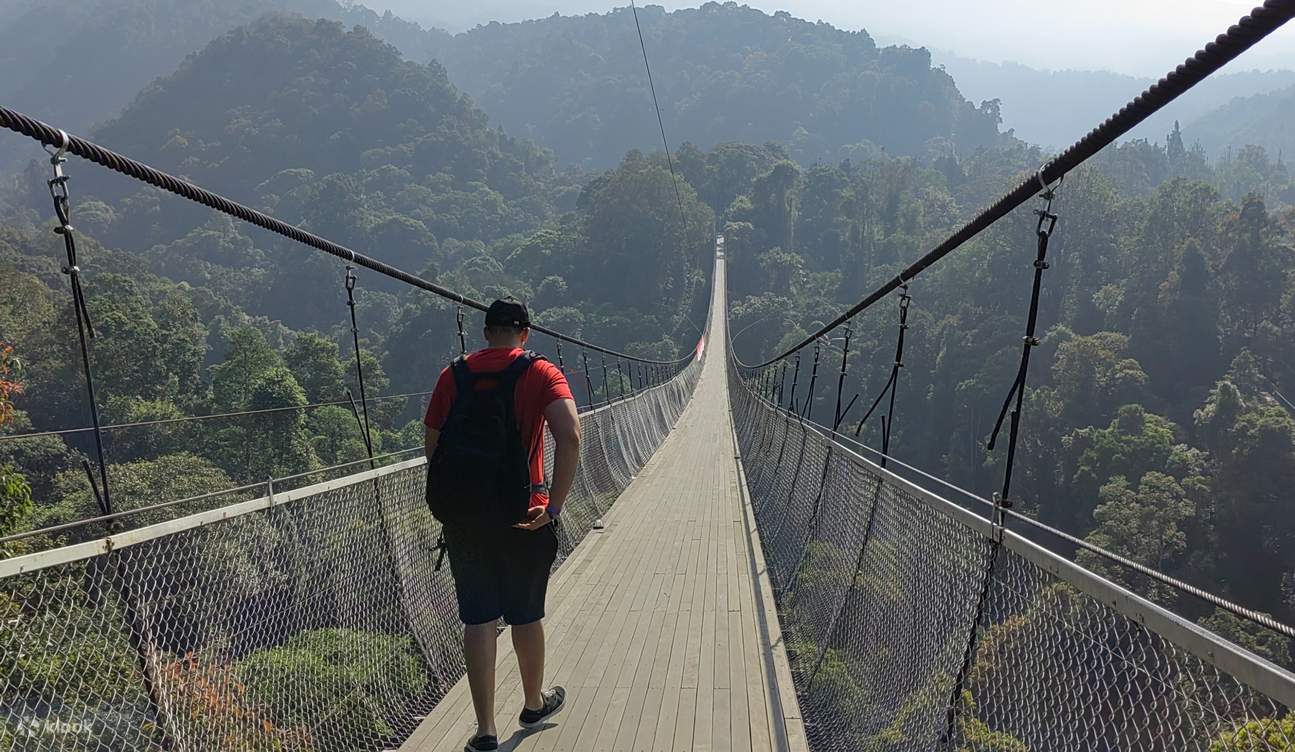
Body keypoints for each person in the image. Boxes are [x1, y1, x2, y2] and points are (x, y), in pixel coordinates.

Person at [423, 297, 581, 752]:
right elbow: (570, 436)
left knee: (478, 619)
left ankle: (485, 731)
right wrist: (552, 507)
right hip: (524, 515)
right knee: (525, 614)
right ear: (525, 333)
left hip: (465, 520)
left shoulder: (452, 375)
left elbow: (434, 450)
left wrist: (462, 501)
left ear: (486, 331)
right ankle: (533, 703)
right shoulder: (541, 372)